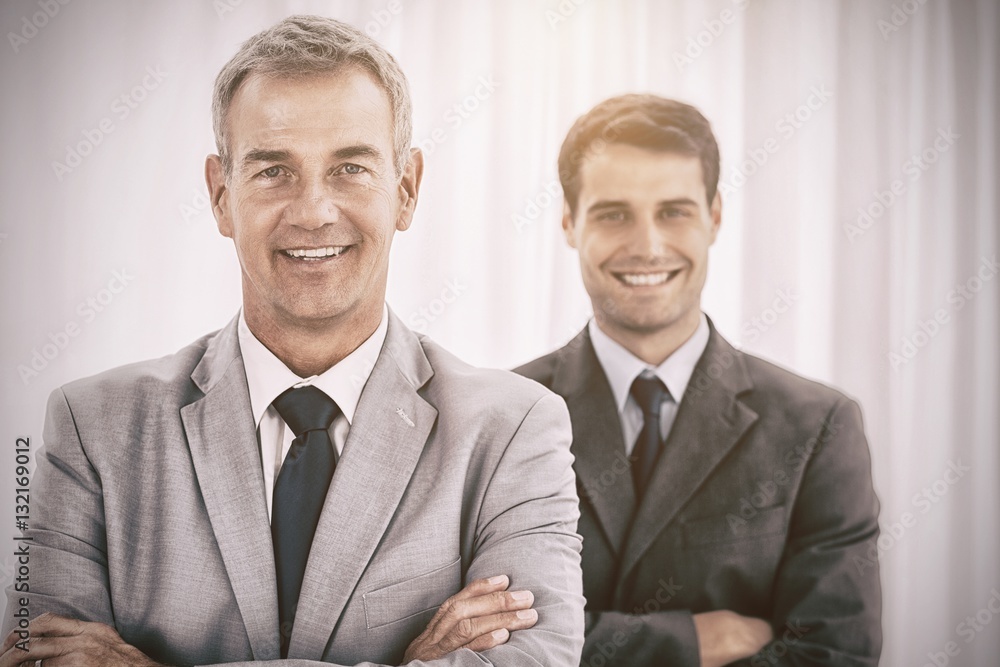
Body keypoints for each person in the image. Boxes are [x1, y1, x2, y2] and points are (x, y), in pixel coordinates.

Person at [1, 16, 584, 667]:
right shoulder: (89, 427)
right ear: (221, 196)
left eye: (350, 168)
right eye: (274, 170)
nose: (312, 210)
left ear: (407, 189)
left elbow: (537, 658)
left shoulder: (514, 428)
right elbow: (36, 656)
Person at [515, 94, 881, 666]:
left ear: (715, 216)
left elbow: (835, 654)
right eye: (614, 213)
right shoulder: (505, 414)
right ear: (568, 221)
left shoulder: (819, 427)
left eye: (674, 211)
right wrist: (690, 642)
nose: (648, 246)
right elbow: (493, 642)